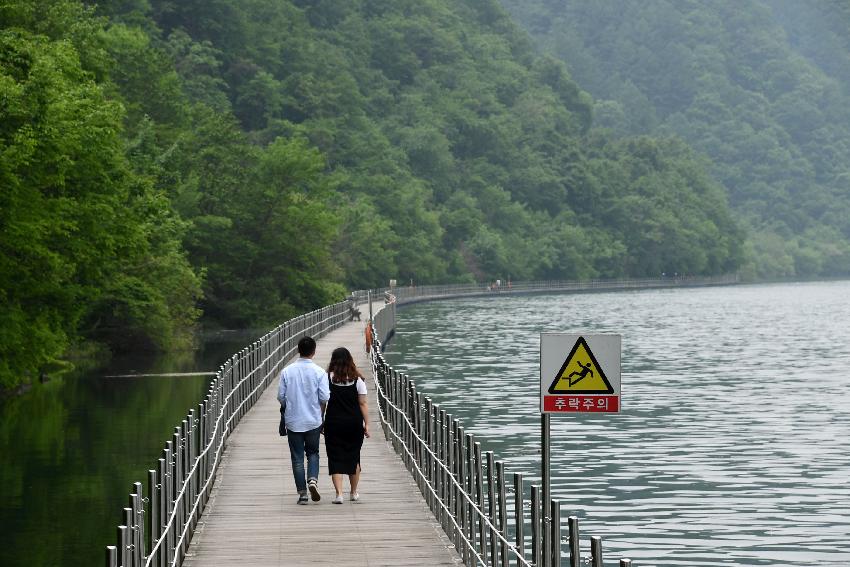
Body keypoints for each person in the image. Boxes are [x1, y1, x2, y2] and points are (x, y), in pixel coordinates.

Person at [278, 336, 330, 505]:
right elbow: (324, 396)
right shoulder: (319, 372)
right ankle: (312, 480)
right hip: (313, 420)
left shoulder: (287, 371)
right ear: (314, 351)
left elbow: (281, 396)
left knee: (297, 457)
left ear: (298, 350)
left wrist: (290, 404)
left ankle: (302, 494)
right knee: (313, 453)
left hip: (293, 421)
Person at [323, 347, 370, 504]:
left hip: (333, 422)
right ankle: (354, 492)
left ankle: (339, 494)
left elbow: (323, 402)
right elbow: (362, 403)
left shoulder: (327, 378)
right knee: (354, 457)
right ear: (350, 360)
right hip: (354, 423)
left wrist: (320, 420)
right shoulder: (358, 379)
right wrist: (367, 424)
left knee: (334, 457)